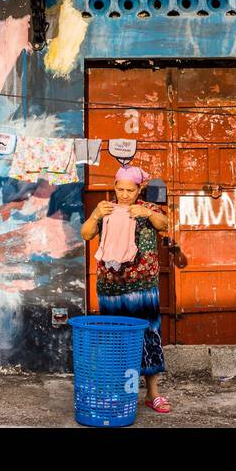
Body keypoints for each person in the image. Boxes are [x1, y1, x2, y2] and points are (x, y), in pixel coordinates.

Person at [80, 164, 171, 413]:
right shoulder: (105, 208)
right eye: (120, 189)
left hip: (143, 287)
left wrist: (146, 213)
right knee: (114, 341)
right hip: (111, 287)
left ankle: (153, 394)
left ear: (139, 189)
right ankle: (116, 393)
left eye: (129, 190)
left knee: (148, 336)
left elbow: (163, 224)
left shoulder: (147, 209)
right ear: (115, 187)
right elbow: (86, 234)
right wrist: (95, 216)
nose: (124, 195)